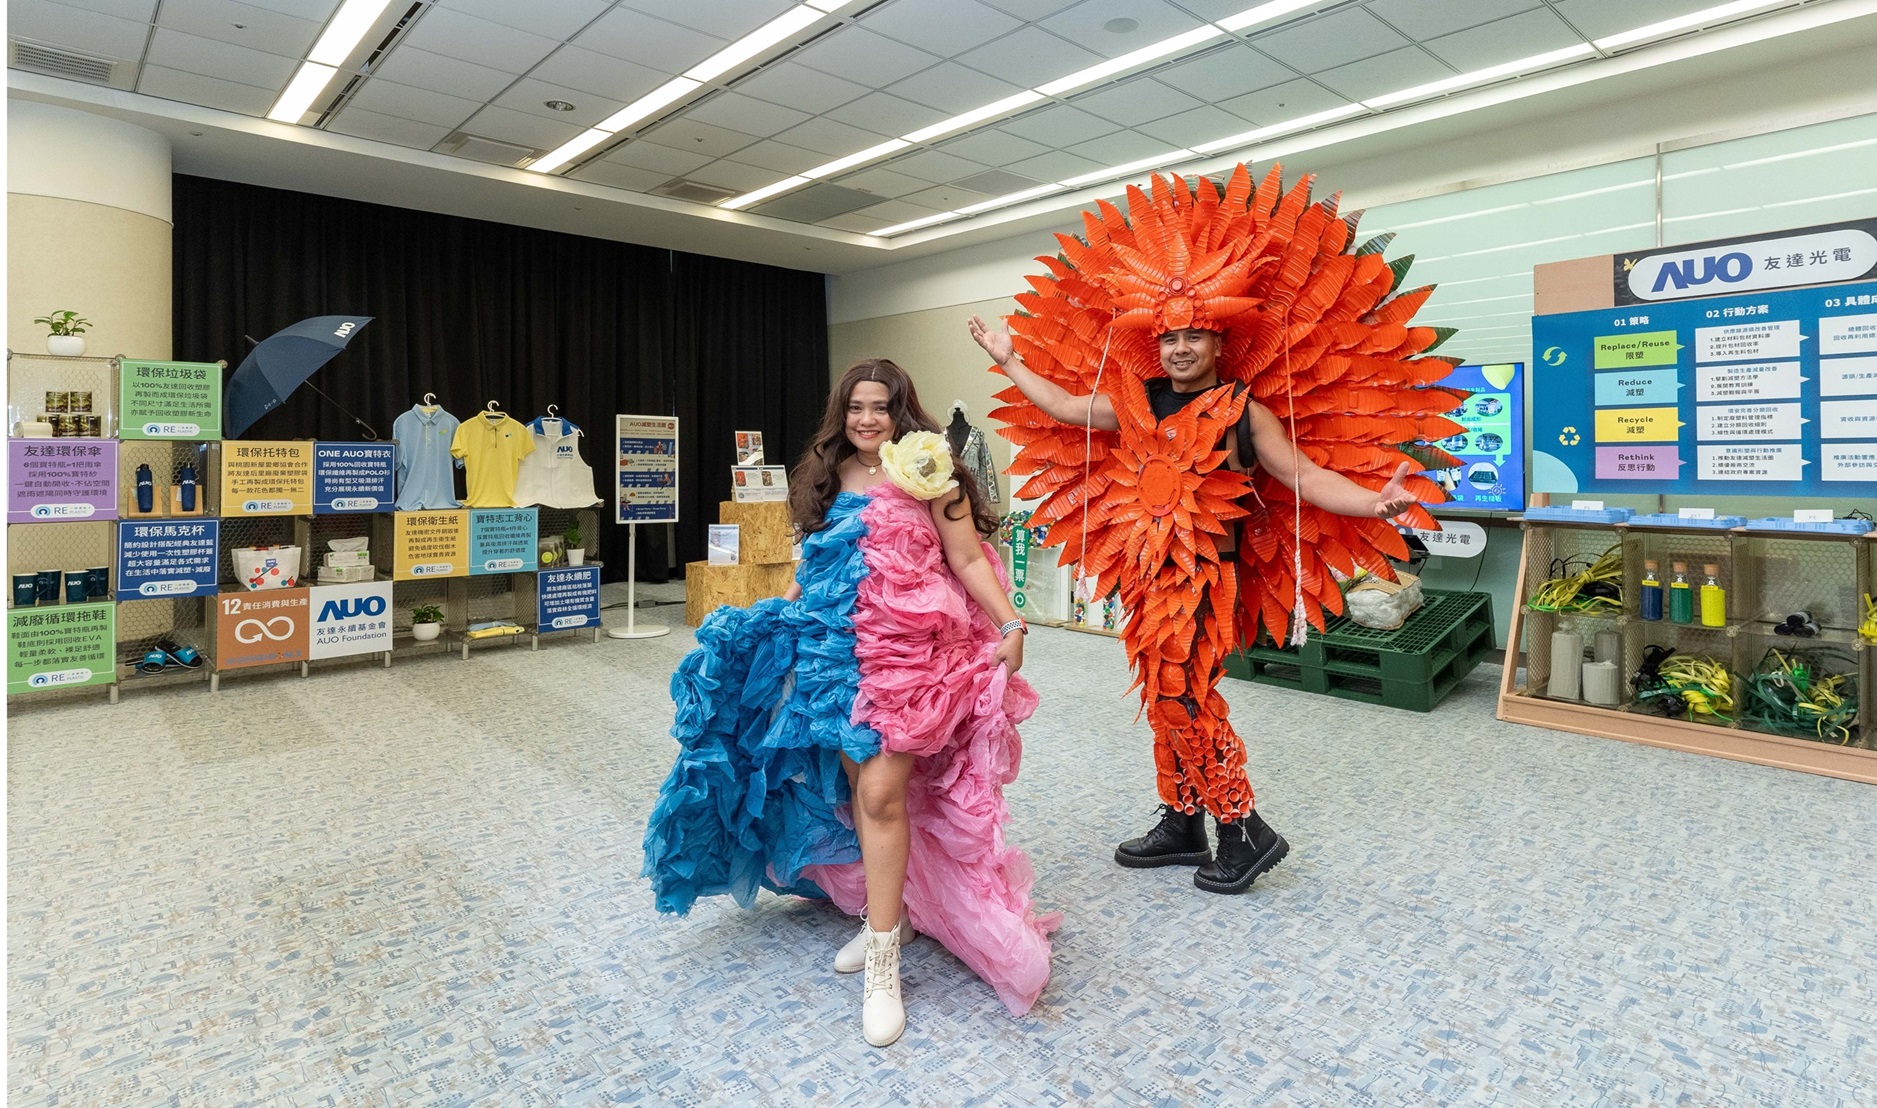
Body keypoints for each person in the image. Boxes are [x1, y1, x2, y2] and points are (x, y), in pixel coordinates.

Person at [965, 162, 1460, 896]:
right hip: (1144, 575)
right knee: (1160, 690)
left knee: (1188, 694)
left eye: (1194, 336)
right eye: (1169, 339)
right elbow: (1068, 409)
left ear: (1220, 341)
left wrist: (1372, 503)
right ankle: (1180, 819)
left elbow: (1301, 478)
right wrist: (1009, 362)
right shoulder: (1133, 402)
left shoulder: (1242, 410)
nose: (1179, 349)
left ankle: (1242, 828)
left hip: (1202, 578)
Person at [643, 358, 1057, 1048]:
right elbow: (820, 566)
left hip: (909, 658)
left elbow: (968, 559)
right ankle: (881, 919)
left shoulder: (932, 470)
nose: (868, 420)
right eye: (857, 408)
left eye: (881, 408)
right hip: (835, 657)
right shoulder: (827, 473)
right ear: (843, 414)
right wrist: (783, 619)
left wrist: (1011, 622)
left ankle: (885, 966)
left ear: (903, 413)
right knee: (860, 789)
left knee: (882, 798)